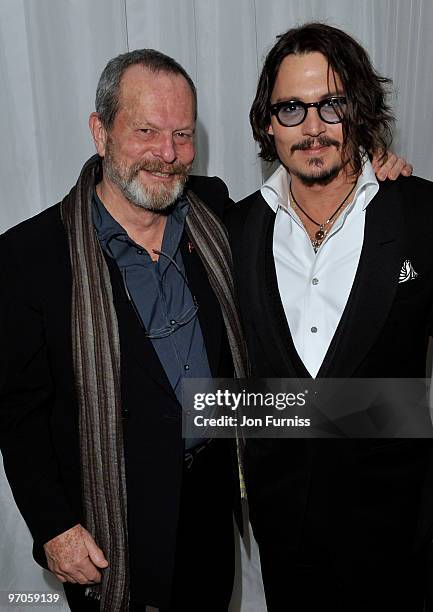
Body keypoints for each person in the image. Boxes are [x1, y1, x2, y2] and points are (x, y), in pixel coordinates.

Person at [0, 49, 249, 612]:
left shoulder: (214, 208)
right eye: (146, 131)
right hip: (111, 527)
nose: (168, 154)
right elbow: (18, 414)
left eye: (183, 134)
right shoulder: (30, 256)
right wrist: (53, 526)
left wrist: (373, 171)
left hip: (210, 506)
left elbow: (303, 200)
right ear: (100, 131)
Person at [228, 22, 433, 612]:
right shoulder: (233, 229)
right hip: (284, 539)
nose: (312, 127)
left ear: (359, 110)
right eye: (291, 107)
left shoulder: (421, 215)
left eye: (331, 105)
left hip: (401, 541)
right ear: (268, 121)